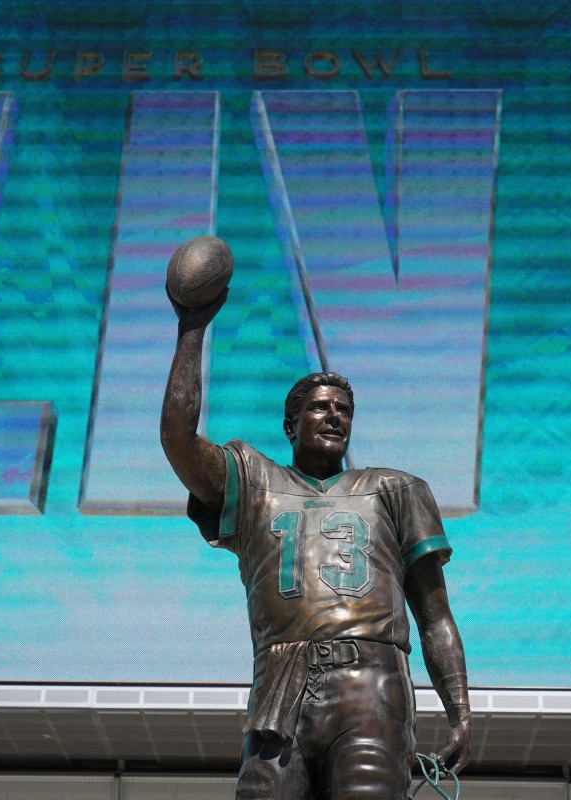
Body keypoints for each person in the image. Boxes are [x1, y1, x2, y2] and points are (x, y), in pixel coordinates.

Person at [160, 288, 471, 800]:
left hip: (371, 687)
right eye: (321, 408)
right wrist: (191, 330)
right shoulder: (254, 481)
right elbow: (178, 440)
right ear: (290, 424)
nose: (335, 417)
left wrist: (458, 707)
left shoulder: (395, 489)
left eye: (344, 410)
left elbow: (435, 615)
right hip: (280, 686)